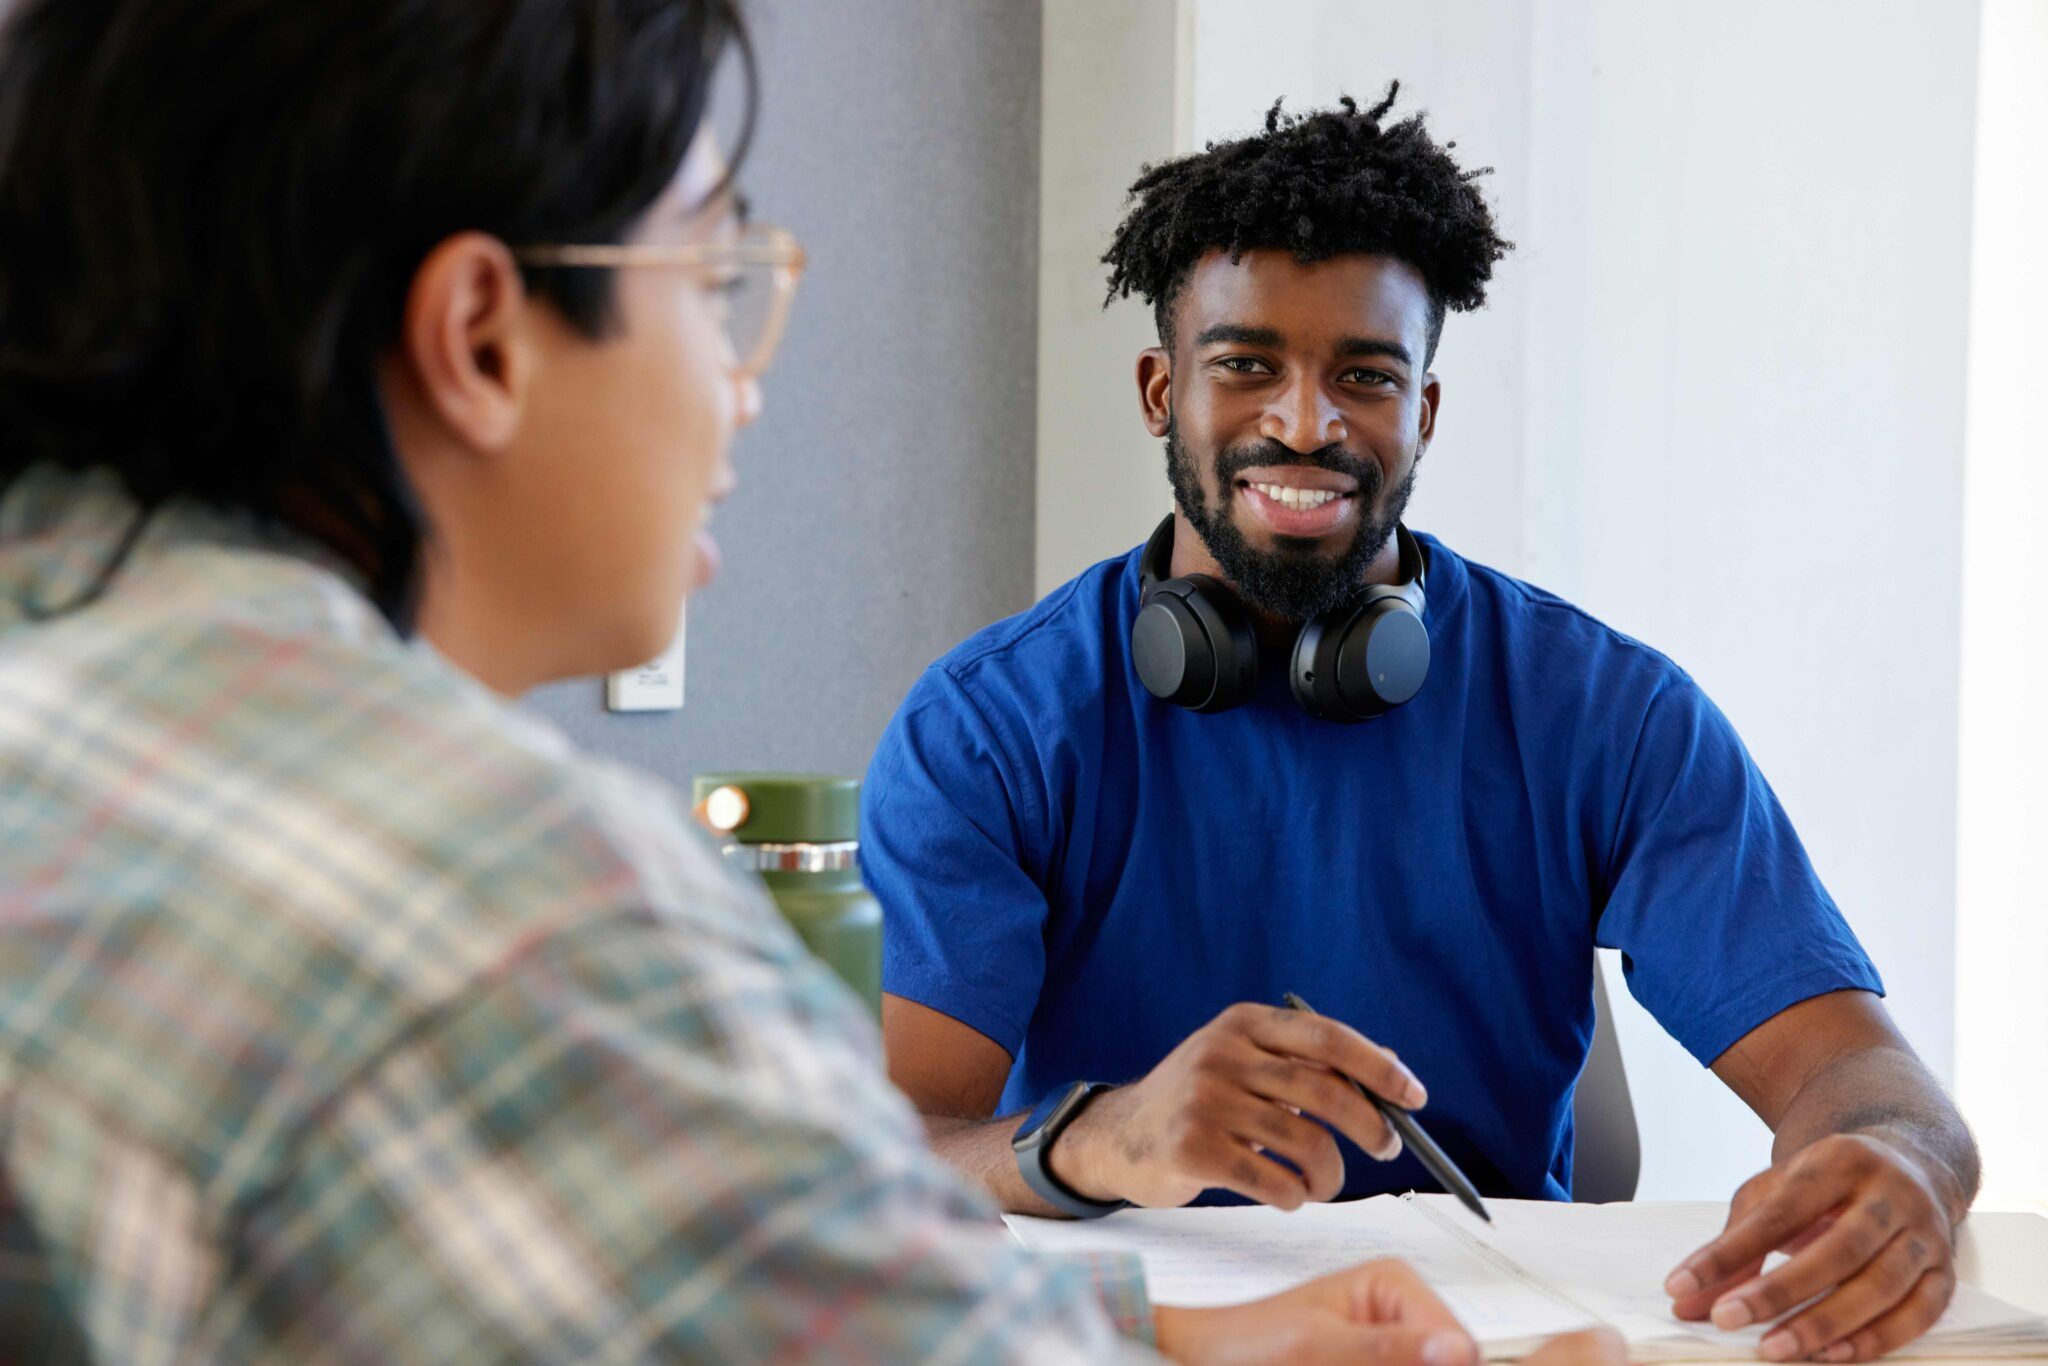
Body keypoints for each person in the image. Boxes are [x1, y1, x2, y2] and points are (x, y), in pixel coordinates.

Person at [0, 5, 1630, 1361]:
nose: (740, 385)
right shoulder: (507, 915)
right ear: (484, 336)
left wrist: (1174, 1330)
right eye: (714, 279)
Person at [867, 88, 1981, 1365]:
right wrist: (1101, 1136)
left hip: (1484, 1343)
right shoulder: (988, 728)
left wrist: (1897, 1162)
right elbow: (878, 1162)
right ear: (1158, 390)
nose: (1305, 422)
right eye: (1243, 366)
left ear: (1425, 413)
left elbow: (1859, 1073)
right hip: (1136, 1340)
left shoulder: (1603, 710)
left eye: (1364, 375)